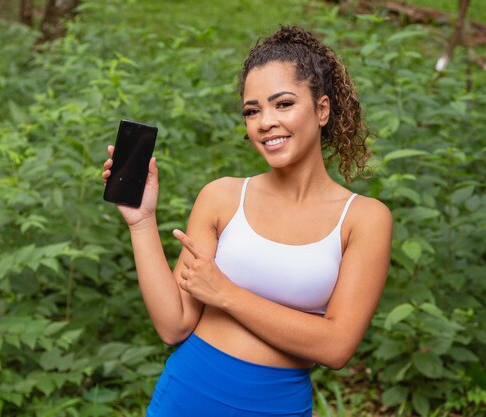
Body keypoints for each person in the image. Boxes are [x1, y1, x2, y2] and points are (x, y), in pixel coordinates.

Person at [102, 25, 392, 417]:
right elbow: (174, 325)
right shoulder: (221, 197)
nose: (265, 122)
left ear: (322, 109)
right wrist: (141, 222)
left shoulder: (364, 219)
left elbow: (337, 346)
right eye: (252, 111)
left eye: (283, 104)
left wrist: (225, 293)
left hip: (278, 407)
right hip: (185, 396)